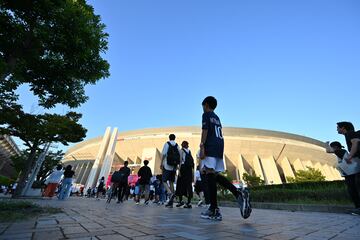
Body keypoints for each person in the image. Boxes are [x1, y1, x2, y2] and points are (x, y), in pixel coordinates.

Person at [199, 96, 251, 220]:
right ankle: (236, 194)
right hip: (219, 146)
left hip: (210, 146)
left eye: (202, 106)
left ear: (206, 105)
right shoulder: (217, 118)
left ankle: (214, 209)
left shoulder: (206, 115)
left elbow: (205, 131)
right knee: (213, 175)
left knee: (209, 174)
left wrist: (202, 146)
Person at [336, 122, 360, 215]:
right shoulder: (348, 135)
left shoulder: (350, 133)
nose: (337, 129)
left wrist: (350, 156)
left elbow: (355, 143)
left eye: (338, 127)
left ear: (343, 128)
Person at [169, 141, 195, 208]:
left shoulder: (181, 151)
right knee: (188, 185)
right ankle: (189, 202)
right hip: (189, 169)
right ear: (187, 145)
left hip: (183, 169)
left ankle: (181, 201)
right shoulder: (189, 151)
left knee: (180, 184)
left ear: (182, 145)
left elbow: (180, 161)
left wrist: (179, 170)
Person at [162, 134, 181, 208]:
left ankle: (170, 193)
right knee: (171, 182)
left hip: (167, 165)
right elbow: (179, 155)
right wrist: (178, 166)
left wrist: (161, 163)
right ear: (174, 138)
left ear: (169, 138)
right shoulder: (177, 145)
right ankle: (171, 203)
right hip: (174, 166)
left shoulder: (167, 144)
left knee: (164, 181)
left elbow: (163, 154)